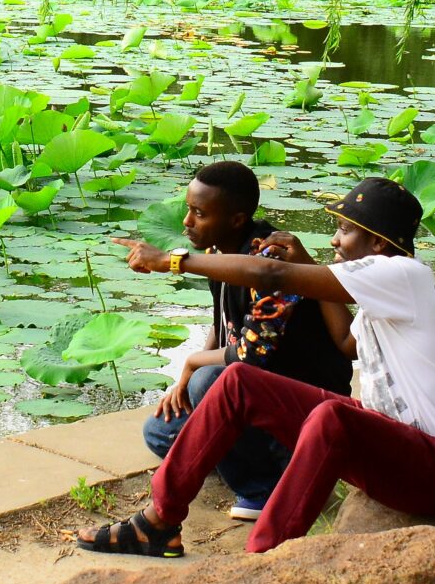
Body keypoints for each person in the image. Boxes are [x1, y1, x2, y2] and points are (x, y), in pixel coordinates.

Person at [78, 178, 435, 558]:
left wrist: (173, 261)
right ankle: (158, 521)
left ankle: (266, 555)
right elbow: (345, 344)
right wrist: (308, 267)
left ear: (376, 241)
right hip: (393, 448)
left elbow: (270, 272)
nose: (334, 240)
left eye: (344, 230)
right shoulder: (389, 290)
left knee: (332, 416)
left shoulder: (402, 274)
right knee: (236, 381)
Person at [142, 159, 354, 521]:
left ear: (236, 220)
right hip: (254, 397)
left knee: (213, 380)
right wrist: (185, 380)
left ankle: (263, 490)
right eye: (188, 210)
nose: (187, 223)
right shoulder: (216, 253)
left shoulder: (269, 261)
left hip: (300, 404)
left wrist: (194, 365)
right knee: (160, 431)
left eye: (199, 213)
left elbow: (248, 356)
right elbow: (223, 323)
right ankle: (250, 459)